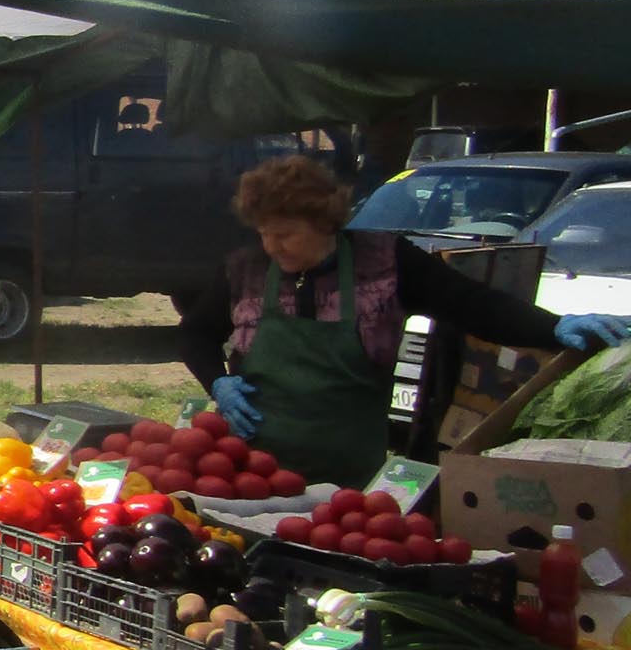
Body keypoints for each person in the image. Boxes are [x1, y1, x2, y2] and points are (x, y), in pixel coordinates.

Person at [177, 155, 631, 486]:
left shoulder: (387, 261)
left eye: (285, 233)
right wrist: (218, 381)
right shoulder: (244, 269)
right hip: (251, 469)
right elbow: (196, 334)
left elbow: (473, 304)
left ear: (324, 222)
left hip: (349, 471)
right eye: (263, 233)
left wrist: (551, 327)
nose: (272, 245)